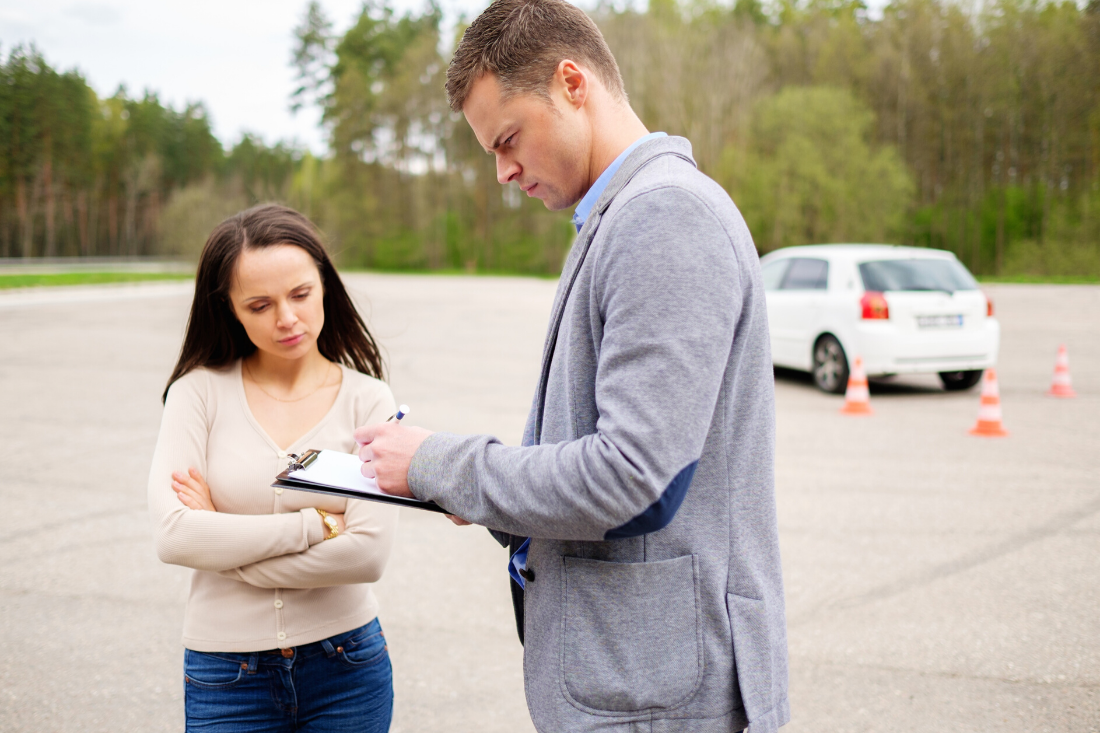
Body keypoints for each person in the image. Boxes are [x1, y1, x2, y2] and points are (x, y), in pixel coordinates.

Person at [355, 1, 790, 732]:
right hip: (639, 682)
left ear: (572, 83)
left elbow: (630, 479)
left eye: (508, 139)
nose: (501, 171)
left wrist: (444, 463)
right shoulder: (621, 214)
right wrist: (480, 491)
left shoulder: (664, 218)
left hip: (659, 695)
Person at [148, 204, 399, 732]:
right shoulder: (197, 394)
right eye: (260, 305)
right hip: (226, 677)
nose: (287, 318)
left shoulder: (370, 401)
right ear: (231, 310)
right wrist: (319, 525)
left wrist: (223, 538)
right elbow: (175, 537)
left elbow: (368, 554)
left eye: (301, 295)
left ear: (325, 285)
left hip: (348, 666)